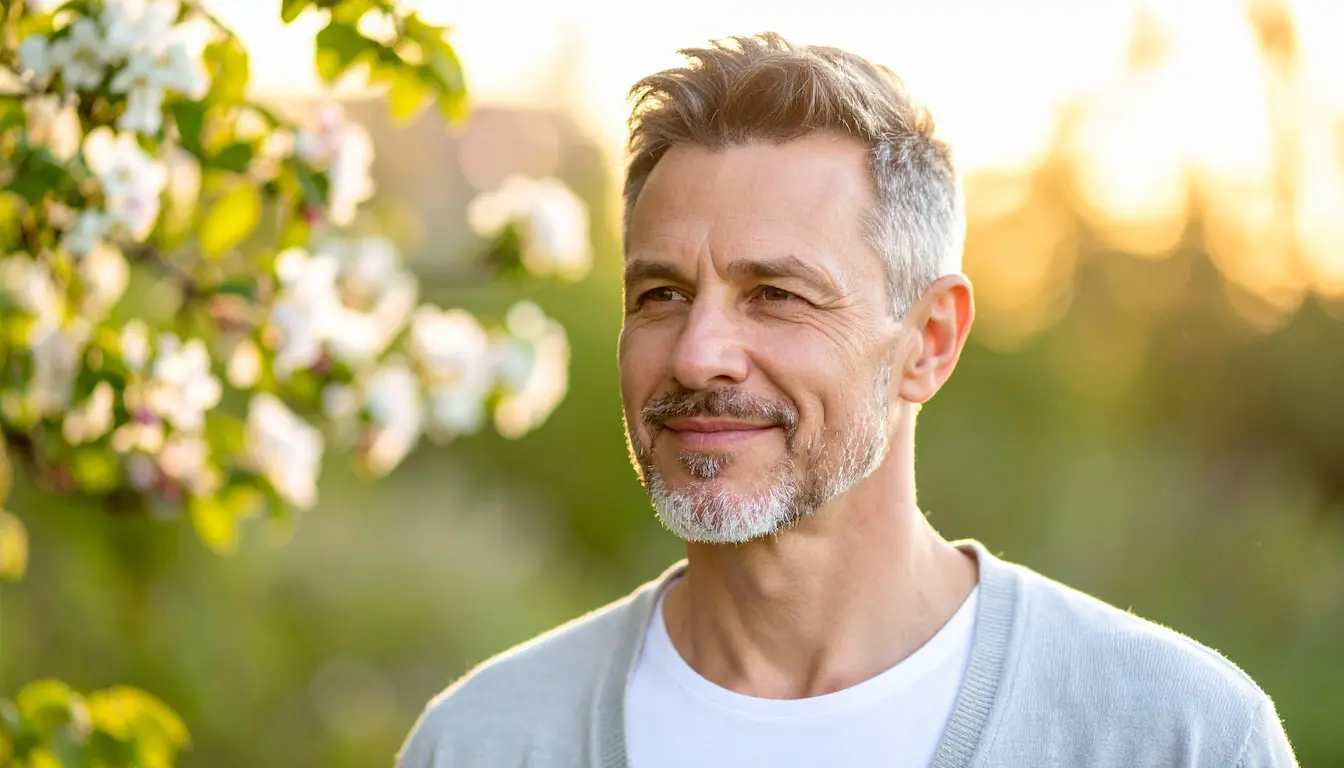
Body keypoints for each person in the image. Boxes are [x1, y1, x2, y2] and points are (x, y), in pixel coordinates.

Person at [397, 32, 1297, 768]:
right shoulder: (482, 741)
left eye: (777, 296)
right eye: (661, 294)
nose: (700, 353)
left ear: (929, 342)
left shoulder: (1177, 737)